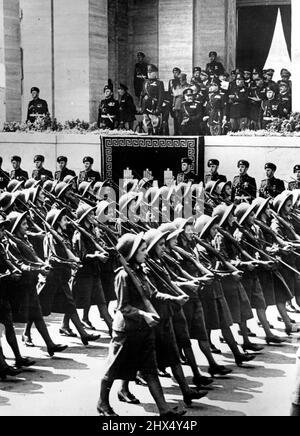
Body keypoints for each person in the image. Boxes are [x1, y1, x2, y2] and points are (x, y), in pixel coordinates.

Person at [97, 232, 188, 417]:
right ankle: (102, 403)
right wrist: (143, 314)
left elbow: (153, 294)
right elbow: (123, 307)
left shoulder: (140, 270)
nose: (146, 253)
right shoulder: (123, 276)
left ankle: (164, 409)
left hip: (144, 329)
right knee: (113, 369)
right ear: (131, 253)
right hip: (126, 331)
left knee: (150, 369)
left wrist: (175, 298)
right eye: (143, 249)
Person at [6, 211, 69, 356]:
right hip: (21, 286)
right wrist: (39, 268)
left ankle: (50, 345)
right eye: (23, 224)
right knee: (13, 320)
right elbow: (21, 264)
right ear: (15, 227)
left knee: (37, 314)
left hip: (30, 284)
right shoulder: (13, 244)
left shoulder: (25, 240)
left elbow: (32, 259)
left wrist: (41, 266)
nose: (27, 226)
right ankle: (14, 356)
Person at [60, 204, 113, 336]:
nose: (93, 216)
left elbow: (100, 245)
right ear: (84, 217)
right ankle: (64, 325)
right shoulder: (79, 234)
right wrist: (97, 256)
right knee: (73, 303)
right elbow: (81, 256)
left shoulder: (92, 231)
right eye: (89, 214)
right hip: (83, 273)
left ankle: (112, 329)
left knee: (102, 301)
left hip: (94, 271)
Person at [140, 64, 165, 135]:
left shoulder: (159, 83)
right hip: (145, 105)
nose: (149, 74)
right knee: (146, 121)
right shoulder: (145, 82)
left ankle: (155, 134)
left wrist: (158, 107)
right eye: (148, 72)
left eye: (151, 72)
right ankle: (149, 133)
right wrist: (140, 106)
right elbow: (142, 95)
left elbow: (161, 96)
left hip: (153, 105)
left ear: (155, 73)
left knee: (155, 122)